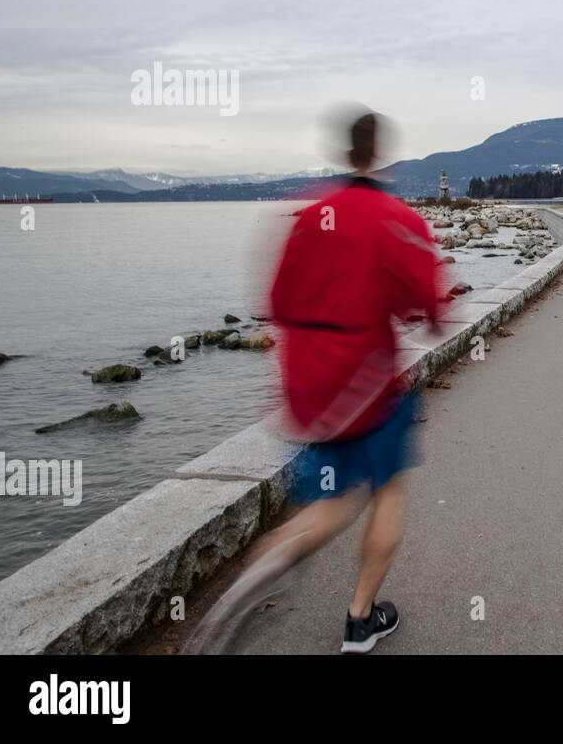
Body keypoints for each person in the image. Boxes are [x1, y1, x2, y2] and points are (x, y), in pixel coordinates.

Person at [187, 110, 446, 655]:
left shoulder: (309, 218)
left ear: (344, 152)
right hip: (369, 389)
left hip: (312, 393)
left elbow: (277, 303)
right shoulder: (395, 219)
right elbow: (427, 307)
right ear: (380, 154)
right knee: (387, 488)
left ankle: (260, 574)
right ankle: (359, 620)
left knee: (328, 500)